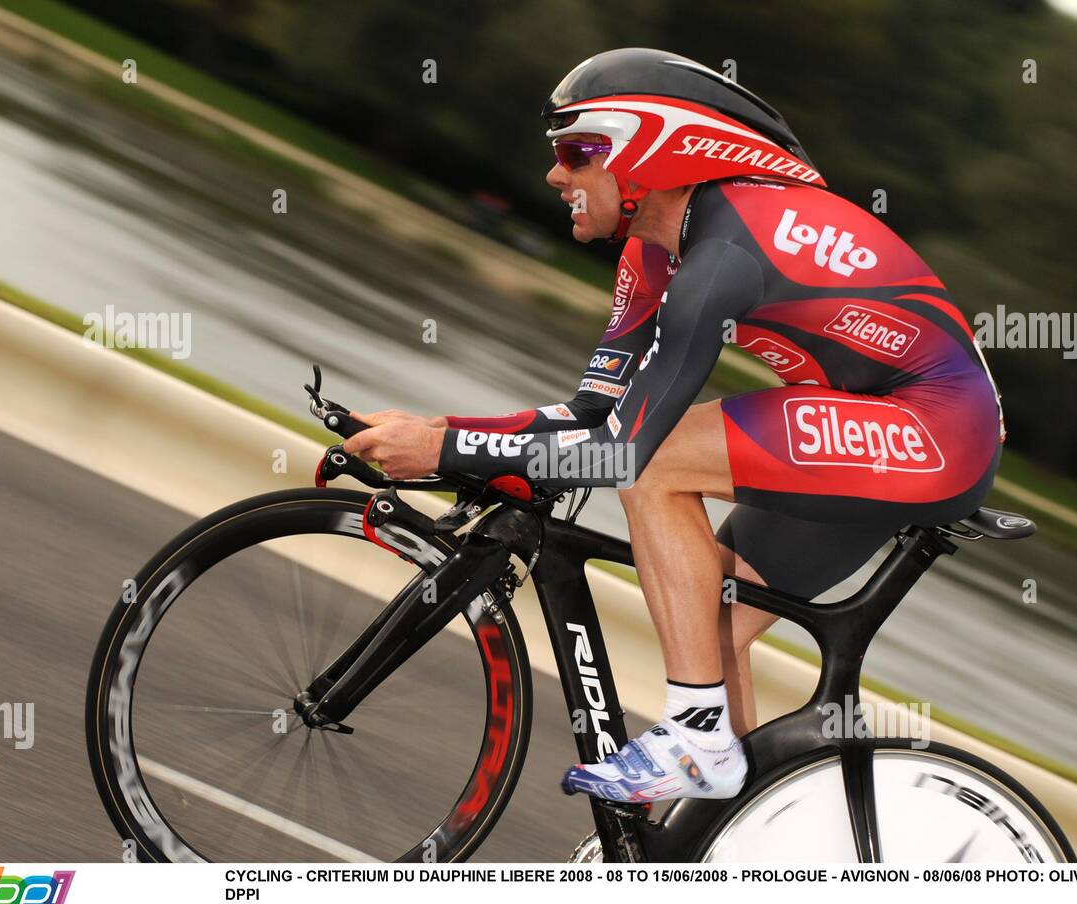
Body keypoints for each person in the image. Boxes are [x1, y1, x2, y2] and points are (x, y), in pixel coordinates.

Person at [343, 48, 1005, 804]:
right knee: (710, 623)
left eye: (578, 151)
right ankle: (745, 855)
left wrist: (443, 451)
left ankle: (696, 738)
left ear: (653, 152)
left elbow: (623, 453)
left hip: (935, 433)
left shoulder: (723, 253)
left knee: (654, 468)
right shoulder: (653, 252)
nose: (556, 174)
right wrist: (439, 431)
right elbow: (590, 413)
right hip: (881, 426)